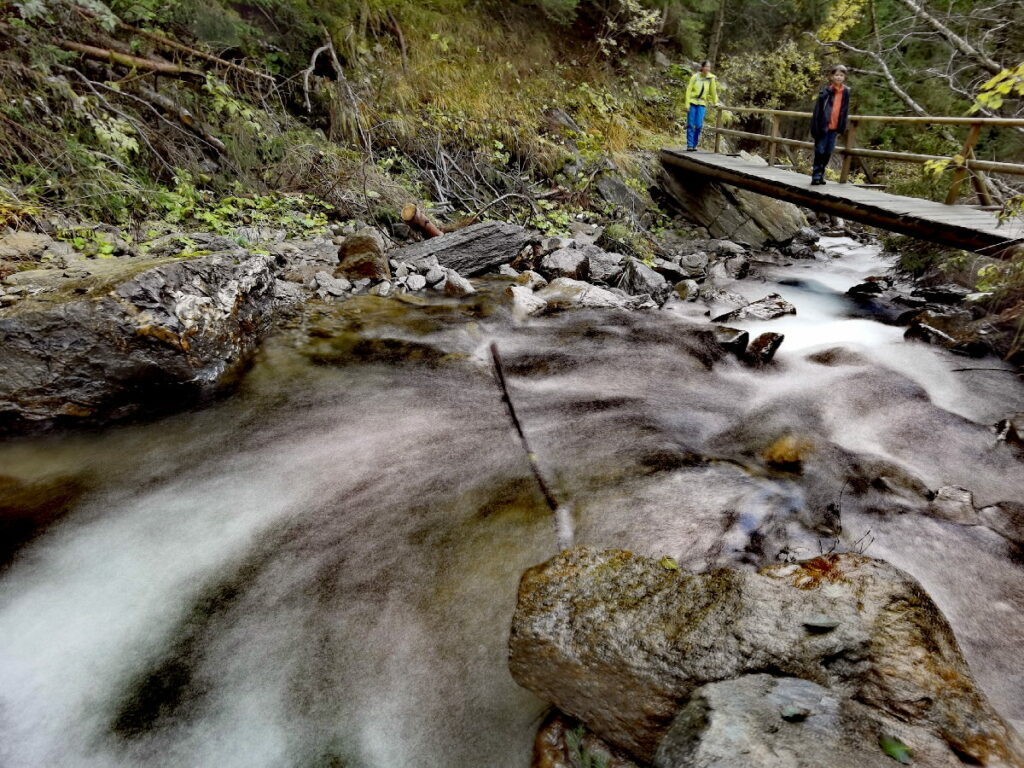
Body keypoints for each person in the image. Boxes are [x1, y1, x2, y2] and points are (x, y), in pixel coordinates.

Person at [810, 65, 851, 185]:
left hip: (835, 127)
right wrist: (815, 127)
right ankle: (816, 176)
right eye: (836, 75)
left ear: (844, 77)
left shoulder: (846, 92)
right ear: (832, 77)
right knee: (820, 151)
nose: (839, 77)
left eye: (841, 75)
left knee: (828, 152)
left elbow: (845, 110)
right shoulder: (825, 92)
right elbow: (817, 111)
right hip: (823, 127)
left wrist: (842, 126)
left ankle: (821, 175)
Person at [684, 61, 719, 151]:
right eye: (706, 67)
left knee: (699, 125)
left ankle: (695, 144)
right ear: (702, 67)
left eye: (709, 67)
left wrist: (715, 102)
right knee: (691, 124)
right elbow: (688, 90)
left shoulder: (711, 78)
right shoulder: (695, 77)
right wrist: (687, 104)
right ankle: (690, 144)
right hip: (692, 102)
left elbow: (713, 91)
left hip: (702, 103)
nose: (708, 69)